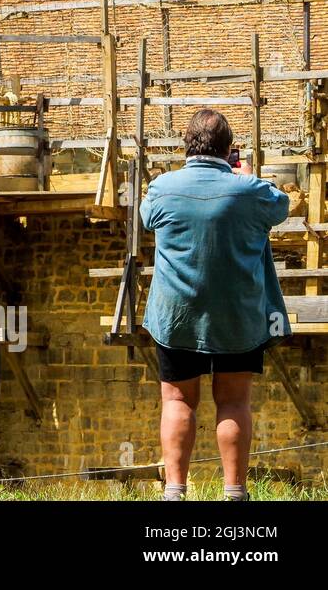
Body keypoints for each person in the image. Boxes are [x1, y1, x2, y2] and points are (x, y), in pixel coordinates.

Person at [141, 109, 290, 502]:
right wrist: (244, 175)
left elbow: (145, 219)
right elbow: (282, 207)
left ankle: (174, 492)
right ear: (229, 150)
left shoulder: (162, 187)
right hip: (237, 315)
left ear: (186, 146)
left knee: (177, 400)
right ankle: (234, 493)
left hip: (177, 315)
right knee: (234, 400)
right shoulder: (251, 189)